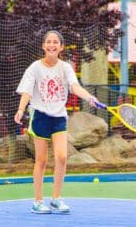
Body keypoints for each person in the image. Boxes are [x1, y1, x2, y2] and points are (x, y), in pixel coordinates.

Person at [14, 30, 99, 214]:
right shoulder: (35, 68)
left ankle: (56, 199)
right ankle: (38, 201)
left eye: (55, 42)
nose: (52, 45)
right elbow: (27, 91)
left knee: (61, 156)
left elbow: (74, 87)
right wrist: (21, 109)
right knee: (42, 160)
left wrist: (89, 97)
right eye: (48, 42)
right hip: (40, 116)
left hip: (59, 116)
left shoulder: (65, 67)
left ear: (61, 47)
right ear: (43, 46)